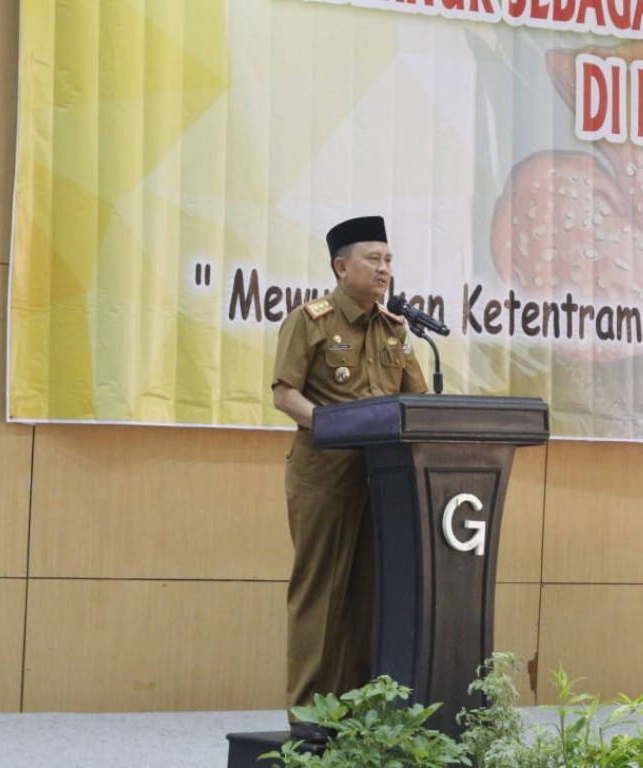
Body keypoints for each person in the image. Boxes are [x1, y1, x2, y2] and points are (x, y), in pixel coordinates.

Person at [270, 215, 428, 743]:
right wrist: (334, 425)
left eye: (388, 260)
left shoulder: (395, 328)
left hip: (383, 481)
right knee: (322, 592)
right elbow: (285, 394)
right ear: (342, 267)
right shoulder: (310, 321)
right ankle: (309, 715)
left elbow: (418, 401)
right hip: (325, 475)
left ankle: (358, 710)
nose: (384, 269)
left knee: (369, 595)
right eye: (373, 259)